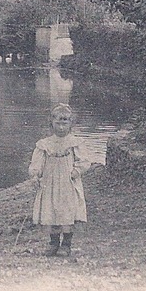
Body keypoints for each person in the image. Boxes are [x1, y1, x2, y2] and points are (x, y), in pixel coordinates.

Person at [28, 103, 87, 257]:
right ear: (52, 123)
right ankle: (53, 242)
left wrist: (76, 171)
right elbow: (37, 163)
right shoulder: (45, 144)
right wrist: (35, 175)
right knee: (51, 209)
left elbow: (84, 161)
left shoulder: (75, 143)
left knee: (67, 210)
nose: (61, 128)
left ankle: (66, 244)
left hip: (68, 182)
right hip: (50, 182)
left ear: (71, 124)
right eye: (58, 124)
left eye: (64, 123)